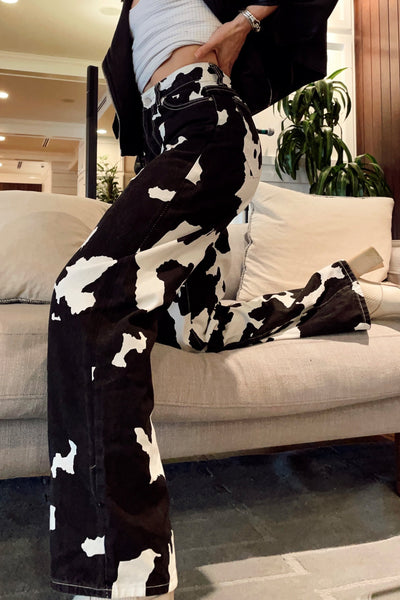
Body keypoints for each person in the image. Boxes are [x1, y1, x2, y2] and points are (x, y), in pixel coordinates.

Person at [46, 1, 400, 599]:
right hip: (170, 138)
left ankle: (123, 576)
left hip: (206, 123)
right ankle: (341, 295)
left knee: (86, 293)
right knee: (196, 327)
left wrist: (247, 21)